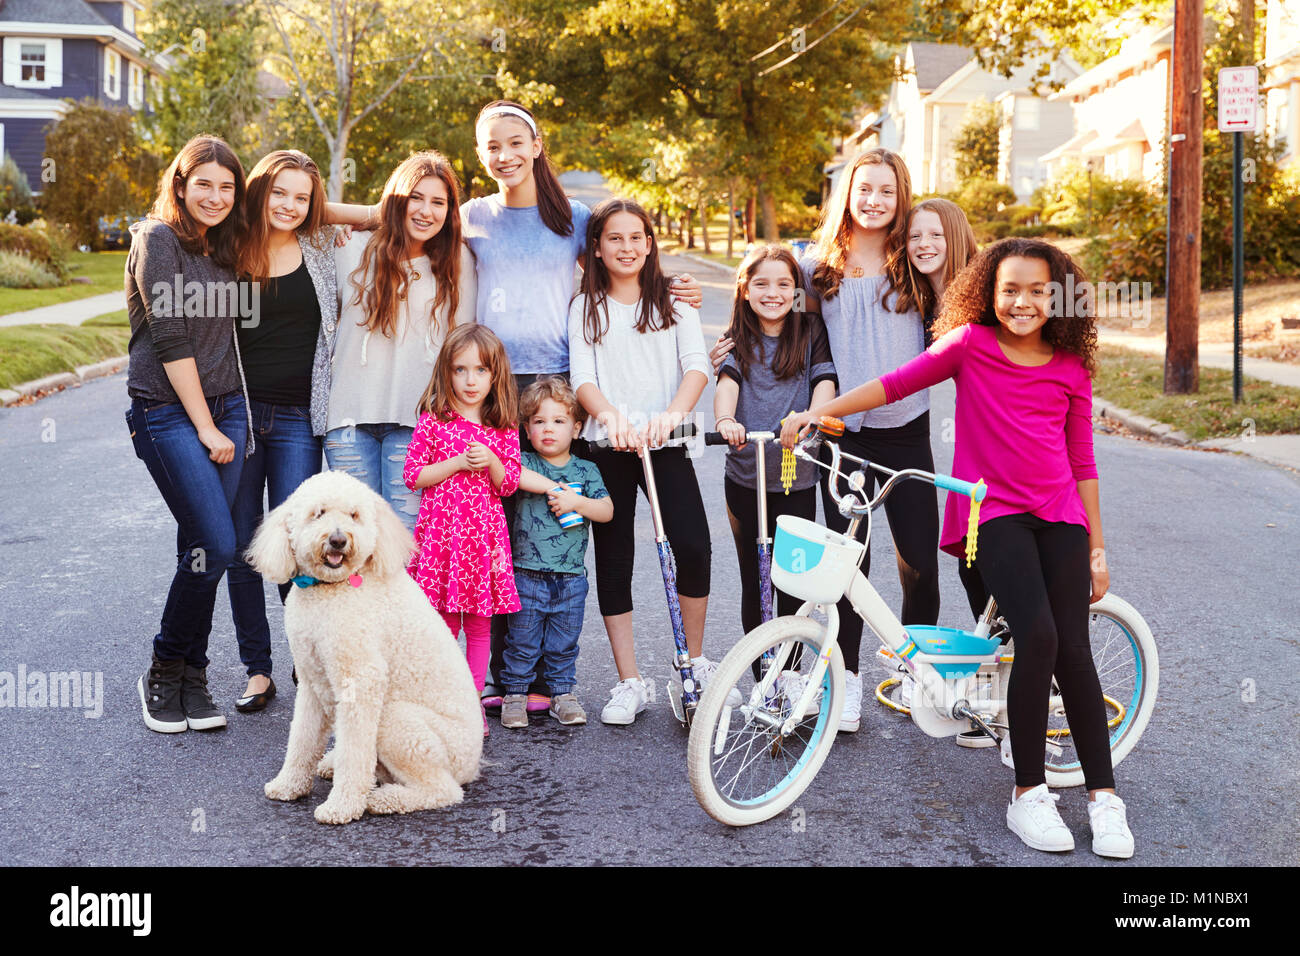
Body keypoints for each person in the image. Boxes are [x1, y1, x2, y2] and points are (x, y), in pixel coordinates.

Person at [781, 237, 1134, 859]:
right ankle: (1028, 794)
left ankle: (1105, 798)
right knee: (1040, 636)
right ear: (987, 295)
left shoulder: (1071, 368)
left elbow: (1082, 459)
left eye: (1037, 291)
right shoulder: (971, 346)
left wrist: (1098, 548)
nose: (1022, 302)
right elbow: (894, 383)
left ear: (1059, 298)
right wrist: (823, 411)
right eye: (1009, 291)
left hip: (1062, 518)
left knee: (1073, 648)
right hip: (990, 511)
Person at [716, 147, 938, 733]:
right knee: (844, 572)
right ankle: (851, 682)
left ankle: (922, 681)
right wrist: (726, 350)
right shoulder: (819, 266)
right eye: (865, 188)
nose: (874, 200)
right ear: (848, 192)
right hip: (845, 437)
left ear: (901, 197)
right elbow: (789, 324)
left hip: (908, 430)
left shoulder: (910, 261)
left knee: (919, 568)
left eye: (887, 191)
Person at [569, 197, 712, 726]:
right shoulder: (585, 306)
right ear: (598, 249)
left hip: (664, 442)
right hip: (609, 446)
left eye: (636, 238)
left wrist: (669, 417)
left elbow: (696, 367)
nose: (626, 247)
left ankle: (692, 664)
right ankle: (630, 680)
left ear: (649, 244)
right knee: (615, 555)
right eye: (614, 239)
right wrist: (610, 419)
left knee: (693, 544)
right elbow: (583, 377)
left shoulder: (676, 301)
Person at [125, 134, 251, 734]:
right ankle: (163, 664)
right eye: (204, 183)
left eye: (227, 187)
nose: (215, 196)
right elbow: (170, 339)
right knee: (218, 543)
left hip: (228, 409)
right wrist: (205, 427)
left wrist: (391, 205)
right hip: (167, 414)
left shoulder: (226, 245)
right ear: (180, 183)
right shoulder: (156, 239)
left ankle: (192, 677)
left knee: (199, 547)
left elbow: (305, 206)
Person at [224, 149, 338, 713]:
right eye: (280, 194)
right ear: (259, 193)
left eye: (303, 197)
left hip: (298, 418)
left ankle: (307, 658)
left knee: (299, 543)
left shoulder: (319, 247)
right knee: (245, 545)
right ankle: (258, 670)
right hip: (239, 418)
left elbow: (375, 216)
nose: (290, 206)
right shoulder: (229, 250)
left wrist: (327, 213)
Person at [325, 151, 476, 533]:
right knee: (354, 543)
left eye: (438, 202)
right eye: (415, 198)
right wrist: (372, 215)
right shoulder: (352, 248)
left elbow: (462, 344)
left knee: (403, 545)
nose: (426, 211)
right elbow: (308, 210)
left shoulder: (459, 261)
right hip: (348, 420)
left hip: (417, 423)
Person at [713, 243, 837, 655]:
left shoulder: (810, 331)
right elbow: (727, 384)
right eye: (761, 284)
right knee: (757, 577)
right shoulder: (737, 337)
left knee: (792, 581)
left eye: (784, 284)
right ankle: (763, 675)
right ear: (745, 290)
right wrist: (725, 421)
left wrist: (811, 417)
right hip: (745, 477)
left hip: (796, 480)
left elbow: (824, 382)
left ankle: (788, 674)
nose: (773, 293)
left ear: (796, 290)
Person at [403, 324, 521, 737]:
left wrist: (489, 458)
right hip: (442, 541)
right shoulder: (435, 421)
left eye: (481, 371)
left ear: (495, 375)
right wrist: (455, 463)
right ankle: (441, 703)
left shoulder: (502, 424)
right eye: (461, 370)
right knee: (443, 625)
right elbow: (413, 475)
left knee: (479, 624)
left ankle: (470, 705)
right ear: (446, 372)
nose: (471, 381)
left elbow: (508, 483)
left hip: (483, 542)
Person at [502, 379, 613, 728]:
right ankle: (515, 696)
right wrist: (552, 487)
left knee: (564, 644)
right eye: (538, 421)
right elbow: (510, 475)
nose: (548, 429)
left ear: (576, 427)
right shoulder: (525, 461)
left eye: (559, 421)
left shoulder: (586, 470)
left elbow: (607, 510)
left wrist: (577, 502)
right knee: (521, 640)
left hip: (570, 578)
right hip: (526, 573)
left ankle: (562, 695)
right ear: (527, 428)